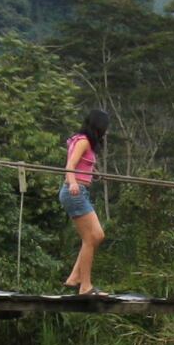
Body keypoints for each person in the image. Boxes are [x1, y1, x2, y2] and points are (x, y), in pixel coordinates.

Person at [58, 107, 108, 295]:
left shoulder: (81, 140)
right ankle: (85, 286)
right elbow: (70, 165)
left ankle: (74, 277)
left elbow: (81, 165)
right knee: (90, 238)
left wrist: (93, 174)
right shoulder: (84, 141)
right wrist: (72, 183)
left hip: (80, 191)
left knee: (98, 236)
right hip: (75, 192)